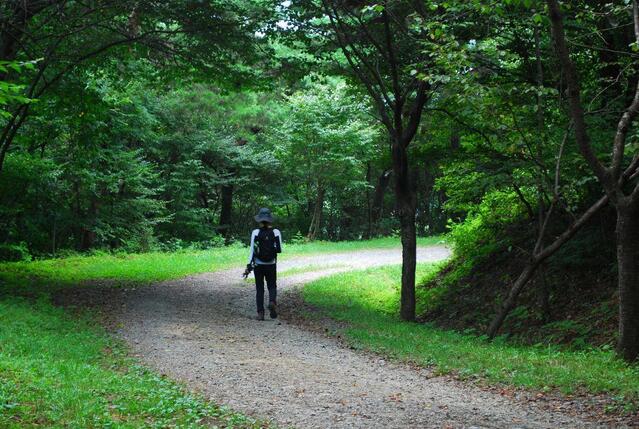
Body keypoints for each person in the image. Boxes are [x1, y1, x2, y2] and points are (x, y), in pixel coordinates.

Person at [244, 208, 282, 321]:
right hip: (271, 264)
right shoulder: (276, 232)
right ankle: (272, 301)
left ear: (260, 220)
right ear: (270, 220)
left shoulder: (255, 232)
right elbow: (279, 249)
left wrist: (248, 266)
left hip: (258, 265)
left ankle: (260, 313)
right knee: (272, 286)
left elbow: (252, 250)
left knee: (259, 289)